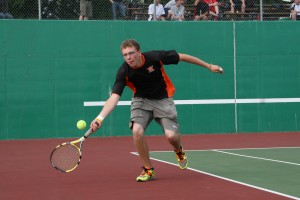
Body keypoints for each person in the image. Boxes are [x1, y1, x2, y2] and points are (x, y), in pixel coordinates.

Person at [89, 39, 223, 182]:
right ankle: (148, 170)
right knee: (136, 131)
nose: (128, 57)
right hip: (141, 101)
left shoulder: (154, 57)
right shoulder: (124, 72)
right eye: (125, 55)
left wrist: (209, 66)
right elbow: (114, 97)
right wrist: (99, 118)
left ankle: (179, 150)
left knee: (171, 136)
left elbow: (182, 57)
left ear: (139, 52)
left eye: (131, 53)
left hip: (163, 99)